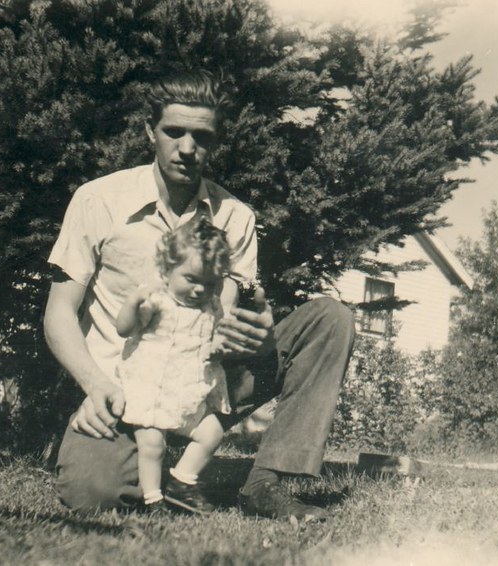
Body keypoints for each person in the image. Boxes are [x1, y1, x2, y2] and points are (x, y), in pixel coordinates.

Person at [43, 69, 355, 521]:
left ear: (215, 141)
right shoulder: (98, 201)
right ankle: (147, 464)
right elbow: (59, 314)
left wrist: (258, 338)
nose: (187, 149)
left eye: (201, 137)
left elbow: (225, 319)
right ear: (150, 130)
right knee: (94, 494)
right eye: (174, 132)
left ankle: (267, 484)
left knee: (330, 318)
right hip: (127, 390)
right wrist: (94, 386)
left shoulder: (236, 217)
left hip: (204, 382)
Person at [115, 216, 234, 513]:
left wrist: (219, 344)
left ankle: (182, 481)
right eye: (191, 279)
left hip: (189, 390)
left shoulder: (211, 305)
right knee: (153, 445)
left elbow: (217, 331)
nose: (198, 290)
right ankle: (154, 499)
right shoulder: (158, 301)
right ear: (167, 270)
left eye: (209, 283)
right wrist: (132, 303)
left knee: (212, 433)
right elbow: (125, 329)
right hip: (153, 388)